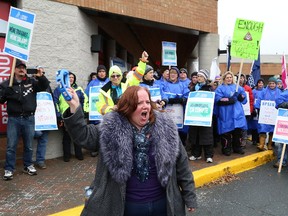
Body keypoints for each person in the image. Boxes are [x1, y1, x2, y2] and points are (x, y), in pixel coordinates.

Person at [62, 85, 197, 216]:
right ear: (128, 108)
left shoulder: (166, 128)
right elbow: (83, 136)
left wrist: (190, 197)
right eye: (139, 103)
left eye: (147, 102)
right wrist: (75, 107)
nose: (146, 106)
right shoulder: (111, 128)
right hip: (127, 207)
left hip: (163, 205)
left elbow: (182, 165)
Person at [0, 59, 49, 180]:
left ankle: (28, 165)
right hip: (14, 119)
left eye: (24, 67)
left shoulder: (32, 82)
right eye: (19, 67)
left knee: (29, 145)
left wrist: (41, 77)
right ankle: (9, 168)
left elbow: (44, 86)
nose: (22, 69)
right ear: (14, 69)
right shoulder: (7, 84)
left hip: (29, 118)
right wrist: (6, 92)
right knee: (11, 146)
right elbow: (1, 100)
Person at [54, 71, 89, 162]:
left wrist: (85, 111)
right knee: (66, 137)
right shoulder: (59, 89)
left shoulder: (79, 89)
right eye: (69, 77)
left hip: (76, 115)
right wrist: (59, 116)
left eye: (73, 77)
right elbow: (56, 103)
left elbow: (85, 100)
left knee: (78, 135)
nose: (71, 79)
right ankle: (67, 156)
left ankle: (79, 154)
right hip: (65, 117)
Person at [215, 71, 247, 156]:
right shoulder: (220, 88)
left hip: (237, 112)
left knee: (238, 132)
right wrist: (229, 100)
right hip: (226, 113)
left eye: (230, 77)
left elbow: (244, 97)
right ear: (224, 79)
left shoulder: (238, 87)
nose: (229, 79)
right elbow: (218, 99)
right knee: (226, 132)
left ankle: (237, 147)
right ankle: (226, 148)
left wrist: (241, 97)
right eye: (227, 77)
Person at [187, 69, 214, 163]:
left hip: (205, 115)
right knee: (195, 135)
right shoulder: (193, 88)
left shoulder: (209, 88)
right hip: (195, 115)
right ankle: (196, 154)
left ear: (205, 78)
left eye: (201, 76)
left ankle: (209, 155)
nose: (199, 78)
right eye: (198, 76)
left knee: (206, 135)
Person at [33, 66, 55, 169]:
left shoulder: (47, 85)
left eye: (42, 72)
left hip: (46, 118)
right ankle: (28, 162)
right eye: (38, 72)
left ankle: (40, 160)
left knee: (43, 141)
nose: (41, 74)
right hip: (34, 117)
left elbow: (51, 100)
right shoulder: (31, 83)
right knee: (36, 135)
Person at [254, 77, 282, 151]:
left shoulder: (279, 92)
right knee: (262, 128)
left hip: (274, 114)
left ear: (275, 84)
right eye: (270, 83)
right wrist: (257, 107)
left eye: (273, 83)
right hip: (264, 113)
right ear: (268, 84)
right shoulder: (264, 91)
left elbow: (281, 100)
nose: (271, 85)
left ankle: (270, 144)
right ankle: (261, 144)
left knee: (272, 129)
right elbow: (259, 99)